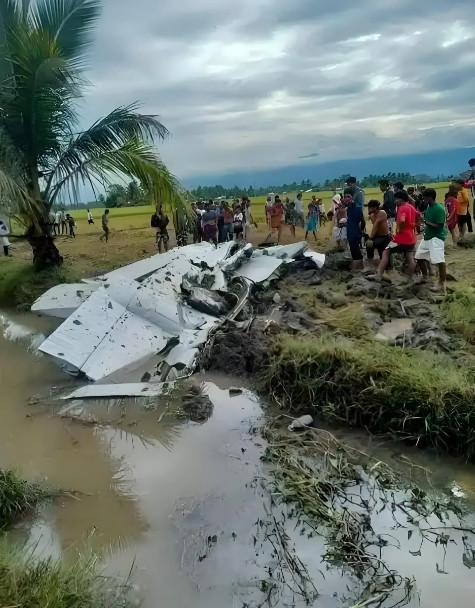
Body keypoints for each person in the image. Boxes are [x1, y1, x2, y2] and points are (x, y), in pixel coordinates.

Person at [373, 190, 417, 281]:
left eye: (396, 199)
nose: (394, 202)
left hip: (402, 239)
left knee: (386, 252)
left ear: (401, 200)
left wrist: (400, 230)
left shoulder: (402, 208)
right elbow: (419, 217)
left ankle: (379, 275)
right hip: (411, 238)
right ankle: (408, 276)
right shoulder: (411, 207)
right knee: (409, 256)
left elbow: (403, 220)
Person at [415, 188, 447, 293]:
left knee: (439, 261)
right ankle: (425, 277)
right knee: (419, 257)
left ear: (430, 198)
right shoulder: (429, 206)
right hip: (428, 236)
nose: (424, 199)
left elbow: (438, 227)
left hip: (437, 237)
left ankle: (441, 283)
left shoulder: (439, 209)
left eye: (425, 197)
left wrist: (425, 222)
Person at [345, 191, 364, 270]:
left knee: (355, 248)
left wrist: (361, 230)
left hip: (354, 231)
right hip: (352, 231)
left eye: (349, 199)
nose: (348, 202)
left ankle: (358, 265)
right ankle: (358, 264)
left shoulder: (357, 210)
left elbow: (362, 221)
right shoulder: (350, 210)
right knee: (353, 248)